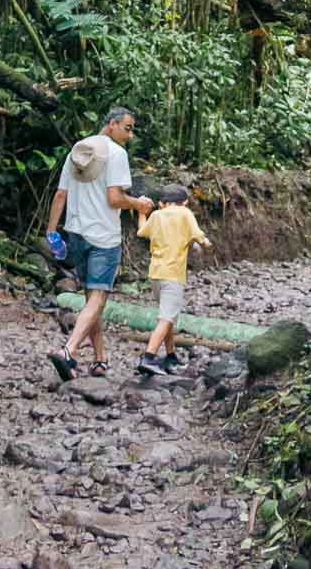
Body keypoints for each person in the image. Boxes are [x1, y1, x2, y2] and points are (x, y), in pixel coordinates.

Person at [45, 105, 152, 381]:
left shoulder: (78, 150)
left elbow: (60, 195)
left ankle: (100, 359)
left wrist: (51, 231)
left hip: (76, 234)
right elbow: (114, 198)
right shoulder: (116, 154)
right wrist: (138, 204)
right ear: (112, 124)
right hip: (103, 237)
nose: (129, 135)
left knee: (92, 299)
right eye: (127, 128)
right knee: (98, 297)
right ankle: (68, 352)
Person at [135, 183, 211, 375]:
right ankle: (148, 357)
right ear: (184, 201)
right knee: (167, 318)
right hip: (173, 276)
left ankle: (170, 356)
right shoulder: (185, 213)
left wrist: (141, 212)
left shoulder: (156, 215)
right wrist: (205, 243)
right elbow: (198, 235)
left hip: (155, 274)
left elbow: (141, 232)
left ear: (162, 203)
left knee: (166, 317)